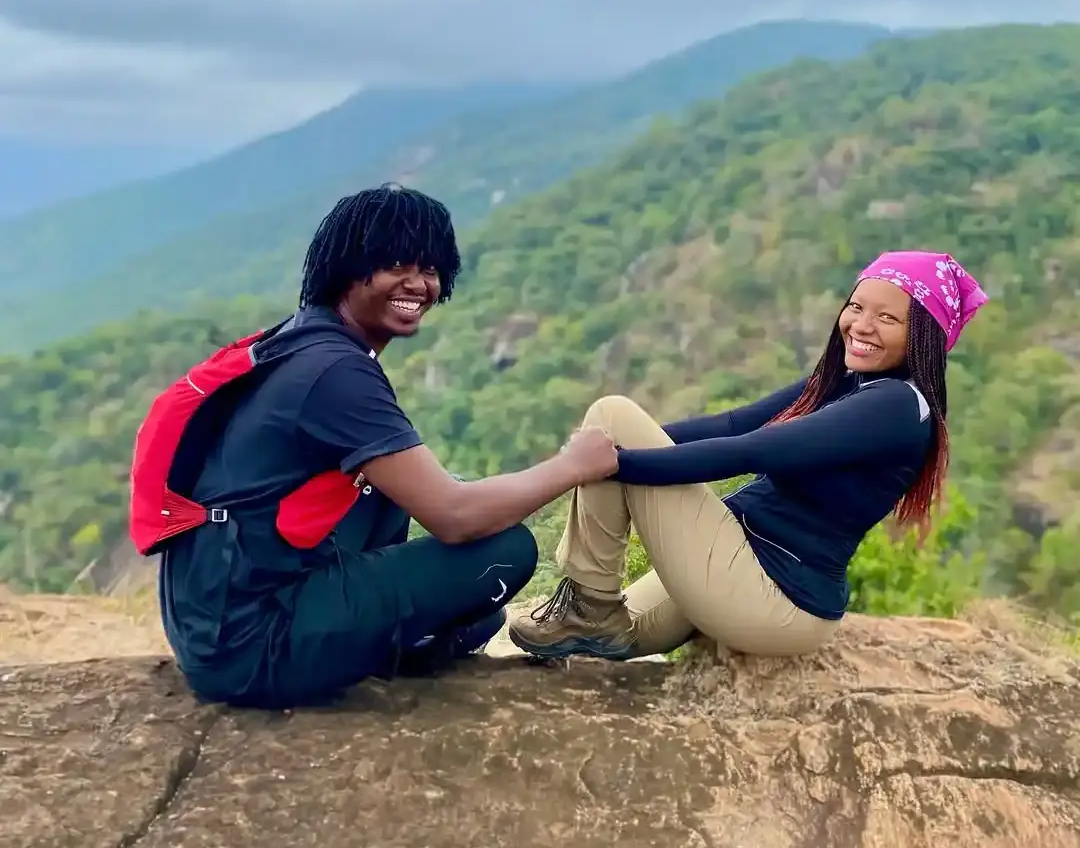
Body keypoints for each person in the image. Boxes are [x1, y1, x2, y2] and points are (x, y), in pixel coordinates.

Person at [155, 183, 618, 709]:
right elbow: (453, 515)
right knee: (506, 552)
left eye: (430, 269)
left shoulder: (299, 341)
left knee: (385, 491)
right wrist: (574, 465)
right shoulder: (336, 371)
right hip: (253, 646)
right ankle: (392, 642)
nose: (419, 284)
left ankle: (394, 630)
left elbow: (423, 488)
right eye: (397, 264)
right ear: (348, 268)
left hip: (216, 619)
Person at [508, 251, 990, 661]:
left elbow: (750, 451)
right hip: (737, 569)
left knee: (610, 413)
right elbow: (738, 423)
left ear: (923, 334)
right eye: (856, 306)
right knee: (611, 638)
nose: (861, 325)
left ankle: (588, 605)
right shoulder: (849, 381)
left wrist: (613, 462)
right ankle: (593, 614)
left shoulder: (895, 405)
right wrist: (623, 447)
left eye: (887, 318)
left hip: (769, 596)